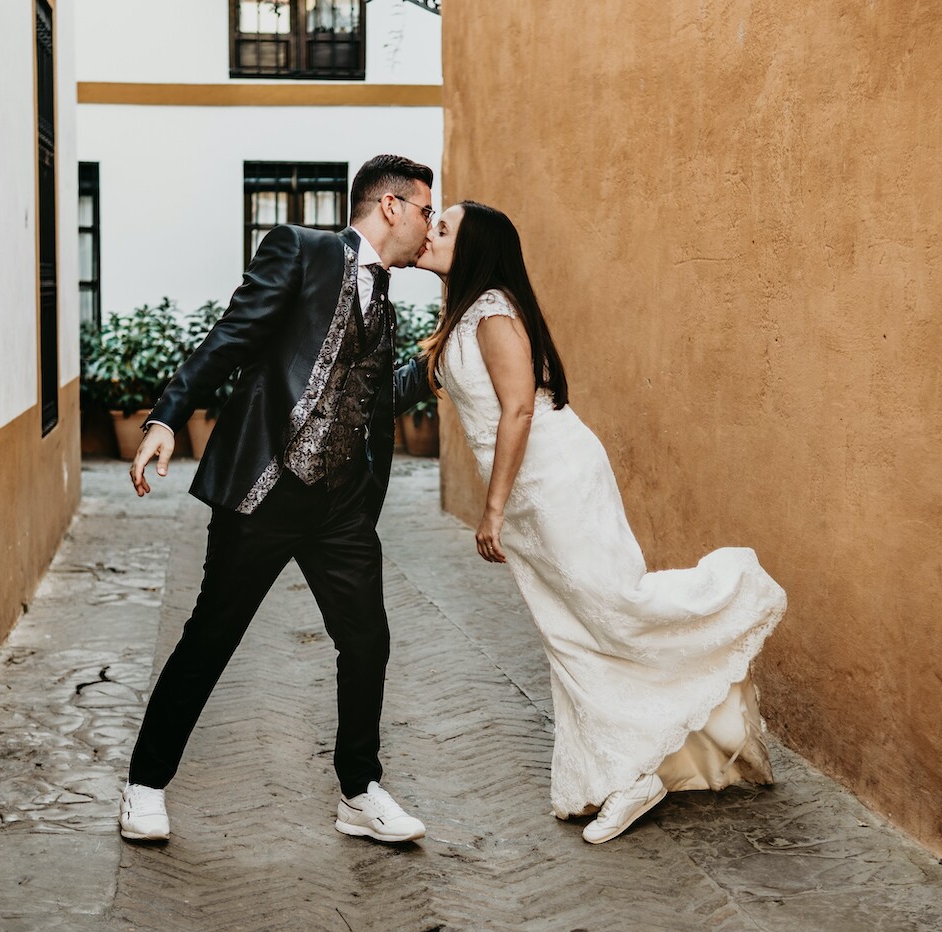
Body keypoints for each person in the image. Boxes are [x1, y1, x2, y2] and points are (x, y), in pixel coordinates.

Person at [414, 201, 787, 844]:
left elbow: (519, 412)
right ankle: (619, 770)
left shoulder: (494, 311)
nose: (429, 232)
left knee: (612, 608)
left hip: (553, 480)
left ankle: (734, 592)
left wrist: (494, 509)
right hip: (528, 492)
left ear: (474, 249)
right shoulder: (465, 311)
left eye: (442, 228)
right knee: (567, 632)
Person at [117, 155, 437, 845]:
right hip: (265, 490)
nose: (428, 226)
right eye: (424, 211)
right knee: (211, 638)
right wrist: (169, 417)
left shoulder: (385, 299)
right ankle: (144, 786)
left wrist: (439, 360)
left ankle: (357, 792)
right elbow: (232, 337)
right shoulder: (303, 250)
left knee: (366, 641)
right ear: (390, 206)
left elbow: (371, 399)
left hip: (341, 509)